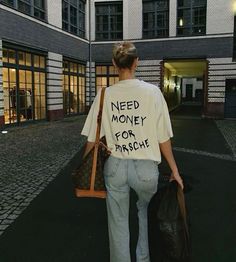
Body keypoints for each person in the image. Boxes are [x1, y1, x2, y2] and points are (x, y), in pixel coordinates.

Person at [81, 41, 183, 262]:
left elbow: (92, 138)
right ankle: (143, 258)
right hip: (146, 169)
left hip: (115, 166)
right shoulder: (153, 93)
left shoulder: (104, 95)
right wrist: (175, 170)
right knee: (144, 213)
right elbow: (163, 137)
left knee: (117, 220)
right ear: (136, 62)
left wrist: (84, 168)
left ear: (114, 64)